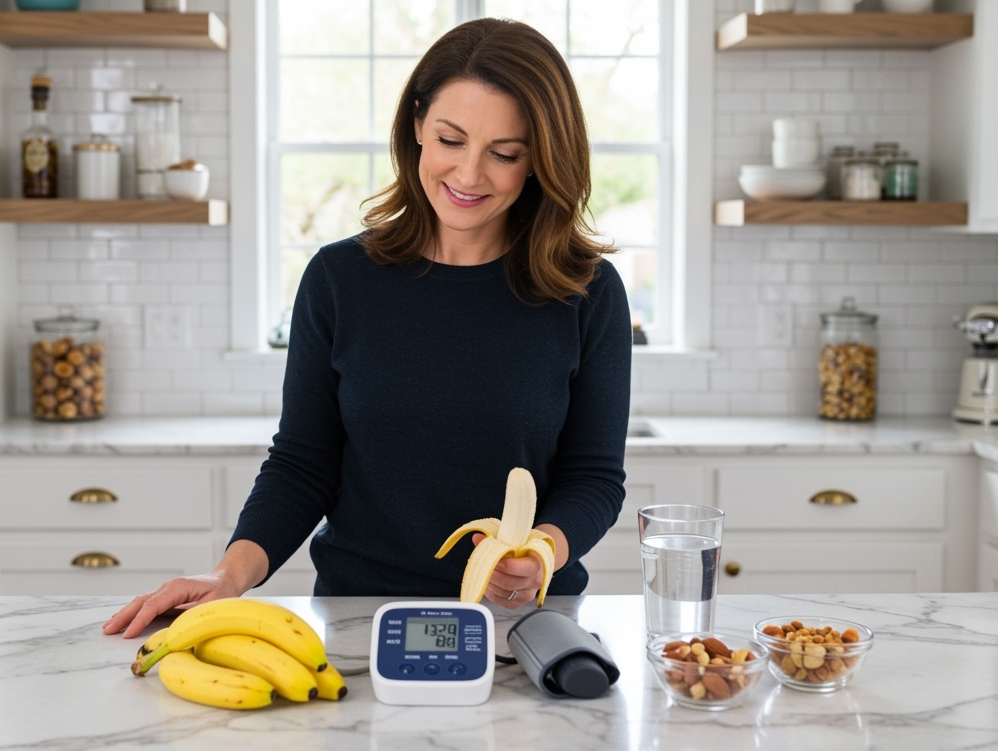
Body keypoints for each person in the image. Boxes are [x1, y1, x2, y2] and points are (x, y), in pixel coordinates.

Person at [104, 17, 630, 639]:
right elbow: (303, 462)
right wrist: (229, 576)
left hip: (529, 623)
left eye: (504, 154)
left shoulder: (587, 291)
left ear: (540, 160)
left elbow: (594, 477)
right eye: (450, 140)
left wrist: (543, 548)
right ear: (416, 128)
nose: (468, 175)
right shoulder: (338, 279)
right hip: (363, 618)